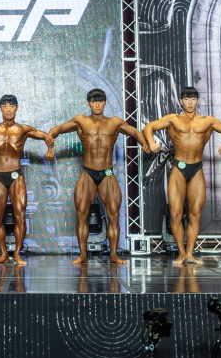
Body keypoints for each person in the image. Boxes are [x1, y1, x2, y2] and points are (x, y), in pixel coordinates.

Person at [47, 88, 153, 265]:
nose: (97, 104)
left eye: (100, 101)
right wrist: (50, 147)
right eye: (94, 101)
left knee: (113, 216)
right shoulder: (81, 121)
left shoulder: (114, 122)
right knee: (82, 215)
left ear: (105, 103)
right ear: (88, 103)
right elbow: (56, 130)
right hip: (88, 172)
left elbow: (135, 132)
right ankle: (83, 254)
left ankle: (114, 255)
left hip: (107, 173)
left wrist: (144, 143)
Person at [141, 86, 221, 266]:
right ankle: (181, 253)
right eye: (186, 100)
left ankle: (190, 253)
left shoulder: (207, 121)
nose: (190, 103)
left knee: (195, 214)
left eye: (193, 99)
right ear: (181, 102)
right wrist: (151, 142)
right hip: (178, 168)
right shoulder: (173, 119)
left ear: (198, 101)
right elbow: (148, 127)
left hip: (196, 169)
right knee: (175, 214)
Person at [0, 94, 54, 265]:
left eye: (11, 106)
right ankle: (4, 254)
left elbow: (47, 136)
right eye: (5, 106)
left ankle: (18, 254)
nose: (8, 110)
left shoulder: (23, 129)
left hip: (16, 175)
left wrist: (50, 149)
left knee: (20, 215)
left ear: (16, 108)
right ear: (0, 108)